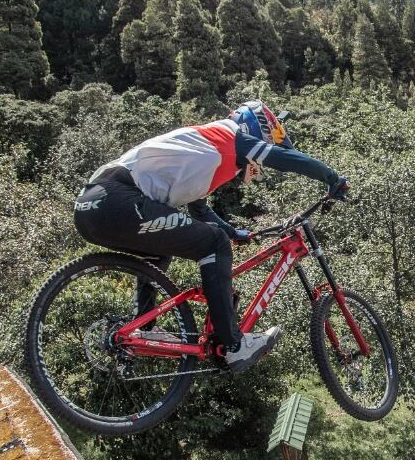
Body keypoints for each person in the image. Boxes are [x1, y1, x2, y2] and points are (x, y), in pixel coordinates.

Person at [72, 100, 348, 372]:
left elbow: (199, 209)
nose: (258, 165)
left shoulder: (205, 148)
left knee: (162, 251)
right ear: (257, 130)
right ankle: (234, 345)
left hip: (91, 207)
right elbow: (285, 159)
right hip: (120, 199)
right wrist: (332, 178)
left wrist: (233, 232)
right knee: (214, 243)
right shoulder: (232, 136)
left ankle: (145, 328)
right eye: (268, 142)